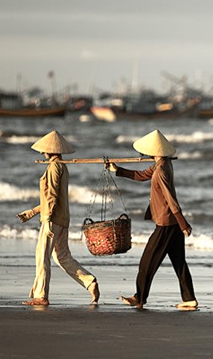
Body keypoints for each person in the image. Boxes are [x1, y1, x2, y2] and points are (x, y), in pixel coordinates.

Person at [106, 130, 197, 310]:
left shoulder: (161, 169)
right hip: (170, 223)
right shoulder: (163, 164)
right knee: (179, 262)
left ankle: (139, 297)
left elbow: (170, 199)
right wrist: (118, 170)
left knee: (147, 262)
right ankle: (189, 299)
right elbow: (141, 175)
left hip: (166, 223)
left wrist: (183, 223)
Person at [17, 130, 100, 306]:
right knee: (62, 256)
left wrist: (47, 218)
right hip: (63, 219)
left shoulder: (54, 167)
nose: (42, 153)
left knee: (42, 255)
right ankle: (89, 282)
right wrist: (32, 212)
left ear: (49, 150)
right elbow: (51, 198)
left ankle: (41, 296)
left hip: (53, 219)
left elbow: (52, 197)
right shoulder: (62, 166)